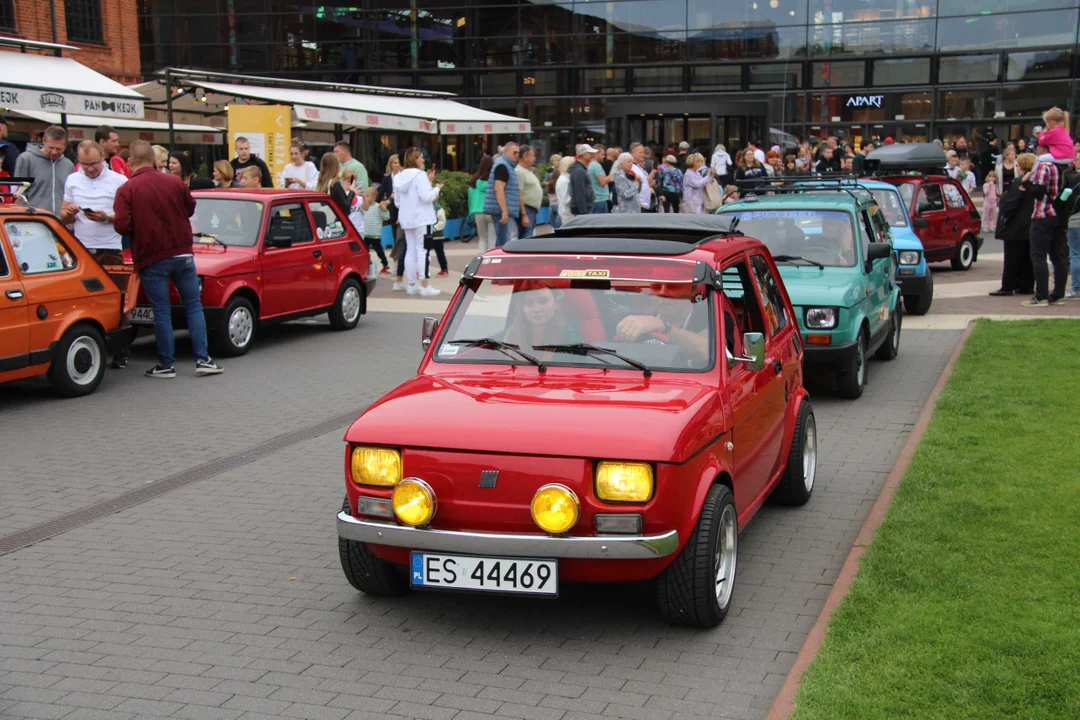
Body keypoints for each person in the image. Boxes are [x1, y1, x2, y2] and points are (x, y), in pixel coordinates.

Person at [114, 141, 223, 378]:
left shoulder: (127, 189)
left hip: (151, 256)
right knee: (194, 306)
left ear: (130, 162)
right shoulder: (174, 182)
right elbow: (190, 208)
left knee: (161, 311)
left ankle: (166, 365)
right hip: (182, 252)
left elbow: (122, 226)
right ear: (154, 160)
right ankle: (203, 359)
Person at [60, 140, 129, 367]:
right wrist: (69, 213)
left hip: (109, 247)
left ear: (104, 159)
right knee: (83, 301)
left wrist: (107, 218)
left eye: (94, 164)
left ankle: (120, 351)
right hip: (81, 249)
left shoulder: (119, 181)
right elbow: (63, 215)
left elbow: (129, 218)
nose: (89, 169)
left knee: (116, 298)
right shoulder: (73, 179)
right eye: (84, 164)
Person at [614, 282, 709, 366]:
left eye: (673, 287)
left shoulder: (710, 316)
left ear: (692, 290)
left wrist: (665, 327)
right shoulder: (637, 319)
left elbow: (705, 351)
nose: (662, 293)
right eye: (656, 287)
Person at [1022, 146, 1069, 306]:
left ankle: (1041, 295)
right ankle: (1058, 294)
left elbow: (1038, 192)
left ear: (1042, 149)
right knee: (1058, 256)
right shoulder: (1060, 166)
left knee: (1038, 256)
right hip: (1058, 214)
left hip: (1043, 214)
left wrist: (1025, 183)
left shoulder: (1044, 166)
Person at [392, 147, 441, 297]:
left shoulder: (399, 177)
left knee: (411, 251)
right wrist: (437, 189)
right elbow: (427, 197)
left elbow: (398, 202)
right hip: (423, 219)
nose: (423, 160)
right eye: (420, 157)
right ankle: (425, 285)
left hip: (407, 219)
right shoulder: (420, 175)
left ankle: (412, 284)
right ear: (414, 159)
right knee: (424, 251)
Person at [991, 152, 1036, 296]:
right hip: (1030, 225)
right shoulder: (1035, 182)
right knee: (1027, 258)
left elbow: (1009, 204)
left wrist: (1003, 204)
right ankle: (1026, 285)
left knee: (1012, 259)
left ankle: (1007, 286)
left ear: (1021, 166)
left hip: (1015, 226)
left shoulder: (1018, 182)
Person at [504, 282, 583, 349]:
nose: (536, 309)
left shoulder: (570, 340)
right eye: (529, 303)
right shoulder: (510, 335)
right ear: (522, 307)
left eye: (543, 301)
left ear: (557, 303)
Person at [15, 125, 73, 214]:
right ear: (44, 141)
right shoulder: (26, 159)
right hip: (34, 219)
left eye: (58, 149)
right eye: (51, 147)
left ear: (65, 146)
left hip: (61, 222)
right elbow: (19, 193)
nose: (54, 152)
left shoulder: (68, 165)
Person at [483, 141, 521, 247]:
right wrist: (504, 211)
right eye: (514, 152)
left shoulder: (505, 165)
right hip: (501, 211)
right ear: (506, 152)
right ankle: (501, 262)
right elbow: (499, 189)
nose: (517, 155)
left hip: (502, 210)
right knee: (503, 243)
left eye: (518, 153)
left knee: (504, 240)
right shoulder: (503, 166)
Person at [381, 154, 408, 291]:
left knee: (400, 237)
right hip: (392, 210)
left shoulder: (404, 177)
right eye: (395, 163)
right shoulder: (387, 178)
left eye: (399, 163)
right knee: (395, 236)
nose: (397, 165)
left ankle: (398, 264)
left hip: (402, 209)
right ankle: (397, 263)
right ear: (391, 164)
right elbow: (382, 191)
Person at [359, 184, 391, 274]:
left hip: (375, 235)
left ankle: (385, 264)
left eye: (367, 196)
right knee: (364, 251)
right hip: (366, 234)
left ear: (374, 197)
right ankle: (366, 265)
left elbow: (386, 217)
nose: (366, 197)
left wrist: (384, 210)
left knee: (379, 251)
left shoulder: (378, 207)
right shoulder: (364, 207)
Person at [469, 154, 496, 253]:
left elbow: (470, 199)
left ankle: (481, 260)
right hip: (491, 211)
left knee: (482, 239)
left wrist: (471, 213)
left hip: (477, 211)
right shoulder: (493, 181)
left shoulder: (474, 181)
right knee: (492, 239)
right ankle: (491, 261)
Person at [315, 152, 354, 217]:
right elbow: (346, 207)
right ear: (336, 166)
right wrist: (352, 192)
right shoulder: (335, 184)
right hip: (335, 222)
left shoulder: (321, 183)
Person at [515, 145, 542, 237]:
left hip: (531, 210)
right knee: (526, 238)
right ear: (525, 156)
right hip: (527, 209)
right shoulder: (519, 172)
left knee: (528, 236)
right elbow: (519, 194)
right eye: (532, 155)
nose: (534, 158)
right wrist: (524, 214)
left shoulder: (528, 171)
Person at [1064, 150, 1080, 299]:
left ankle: (1076, 288)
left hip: (1075, 219)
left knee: (1075, 254)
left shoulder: (1072, 179)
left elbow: (1064, 199)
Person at [567, 144, 596, 216]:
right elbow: (579, 192)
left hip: (583, 208)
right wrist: (583, 212)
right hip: (582, 209)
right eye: (590, 153)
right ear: (584, 154)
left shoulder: (580, 169)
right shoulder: (579, 170)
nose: (592, 155)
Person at [629, 143, 656, 212]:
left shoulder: (639, 167)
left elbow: (647, 182)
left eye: (643, 152)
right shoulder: (630, 167)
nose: (643, 155)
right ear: (632, 153)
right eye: (640, 152)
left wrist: (653, 171)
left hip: (645, 204)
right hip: (638, 204)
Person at [426, 202, 449, 278]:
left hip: (437, 235)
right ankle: (424, 269)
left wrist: (434, 228)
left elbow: (442, 221)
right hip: (428, 234)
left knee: (439, 252)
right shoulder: (426, 207)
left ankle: (444, 268)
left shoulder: (439, 208)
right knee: (425, 252)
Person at [587, 147, 611, 214]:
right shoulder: (596, 166)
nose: (604, 157)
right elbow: (603, 182)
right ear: (596, 154)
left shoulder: (591, 165)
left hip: (595, 198)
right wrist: (612, 174)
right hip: (600, 199)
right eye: (602, 154)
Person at [554, 155, 575, 225]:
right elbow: (566, 199)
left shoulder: (565, 178)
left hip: (566, 212)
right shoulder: (564, 180)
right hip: (567, 213)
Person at [544, 153, 562, 229]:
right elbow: (545, 181)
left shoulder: (561, 170)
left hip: (559, 194)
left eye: (558, 161)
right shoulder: (549, 171)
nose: (557, 162)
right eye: (555, 161)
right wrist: (550, 183)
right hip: (552, 193)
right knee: (551, 211)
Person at [982, 170, 999, 235]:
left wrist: (996, 197)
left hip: (993, 201)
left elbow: (995, 193)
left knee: (992, 214)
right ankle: (985, 226)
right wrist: (989, 186)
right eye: (990, 176)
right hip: (987, 201)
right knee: (986, 214)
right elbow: (985, 193)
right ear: (988, 177)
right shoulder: (985, 185)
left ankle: (991, 226)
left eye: (993, 177)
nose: (992, 178)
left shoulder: (995, 185)